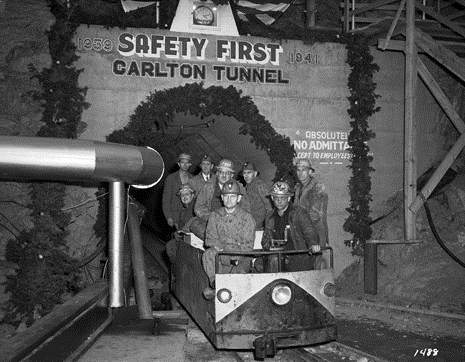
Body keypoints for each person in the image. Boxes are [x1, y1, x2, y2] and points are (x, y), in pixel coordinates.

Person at [202, 180, 256, 299]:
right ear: (222, 197)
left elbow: (247, 246)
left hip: (240, 257)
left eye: (233, 196)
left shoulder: (247, 218)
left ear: (239, 198)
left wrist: (229, 251)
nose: (229, 199)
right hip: (221, 255)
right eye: (226, 196)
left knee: (233, 287)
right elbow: (210, 240)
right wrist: (224, 251)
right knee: (208, 254)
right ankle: (214, 282)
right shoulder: (215, 216)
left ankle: (231, 285)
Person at [262, 181, 320, 272]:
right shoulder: (270, 217)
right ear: (272, 198)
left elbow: (309, 231)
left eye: (283, 198)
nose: (279, 201)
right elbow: (266, 238)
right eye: (276, 198)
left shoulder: (299, 213)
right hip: (278, 258)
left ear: (289, 198)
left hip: (299, 258)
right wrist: (268, 245)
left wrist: (313, 243)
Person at [191, 159, 251, 239]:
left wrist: (232, 218)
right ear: (217, 173)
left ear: (231, 175)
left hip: (233, 223)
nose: (224, 175)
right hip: (213, 222)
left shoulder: (239, 188)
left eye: (227, 173)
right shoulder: (208, 186)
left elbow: (246, 209)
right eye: (221, 172)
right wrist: (212, 217)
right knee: (195, 224)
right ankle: (217, 243)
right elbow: (198, 207)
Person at [293, 158, 329, 249]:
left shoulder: (317, 188)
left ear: (310, 172)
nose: (300, 173)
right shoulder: (298, 188)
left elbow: (315, 215)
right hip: (302, 235)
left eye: (304, 170)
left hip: (315, 235)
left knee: (315, 262)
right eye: (298, 170)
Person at [165, 184, 197, 265]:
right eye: (182, 195)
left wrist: (180, 232)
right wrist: (177, 233)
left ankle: (179, 268)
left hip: (194, 240)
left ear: (192, 195)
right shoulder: (184, 211)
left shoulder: (195, 208)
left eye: (187, 194)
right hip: (186, 239)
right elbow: (181, 229)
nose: (184, 197)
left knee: (170, 246)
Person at [162, 153, 193, 229]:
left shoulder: (193, 179)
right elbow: (166, 199)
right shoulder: (171, 178)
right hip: (176, 215)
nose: (185, 165)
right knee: (179, 237)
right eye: (182, 162)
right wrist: (168, 217)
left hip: (189, 216)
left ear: (190, 164)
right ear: (179, 164)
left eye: (187, 162)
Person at [241, 162, 272, 230]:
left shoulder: (259, 185)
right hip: (250, 223)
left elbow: (269, 205)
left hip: (259, 224)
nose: (246, 176)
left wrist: (267, 224)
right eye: (244, 173)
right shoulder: (247, 186)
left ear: (255, 173)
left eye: (249, 172)